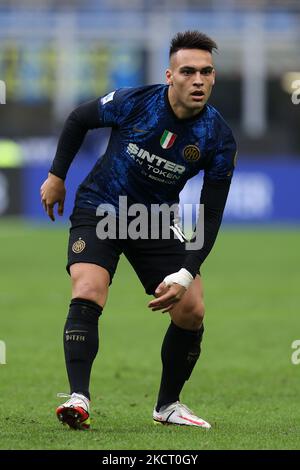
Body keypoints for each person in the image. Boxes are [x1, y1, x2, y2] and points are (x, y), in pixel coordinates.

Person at [40, 30, 237, 430]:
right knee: (88, 289)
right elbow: (79, 118)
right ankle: (79, 398)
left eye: (206, 72)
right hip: (102, 208)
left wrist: (186, 271)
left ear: (214, 77)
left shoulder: (218, 138)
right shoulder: (135, 102)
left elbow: (210, 213)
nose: (198, 80)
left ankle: (167, 405)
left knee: (192, 309)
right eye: (188, 71)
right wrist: (57, 176)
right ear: (170, 75)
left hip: (155, 221)